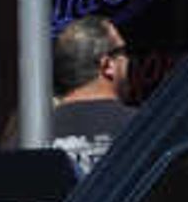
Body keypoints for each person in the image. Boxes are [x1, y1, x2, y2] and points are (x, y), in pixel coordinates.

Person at [47, 16, 137, 172]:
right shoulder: (144, 128)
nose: (129, 60)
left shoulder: (29, 133)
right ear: (108, 65)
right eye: (124, 52)